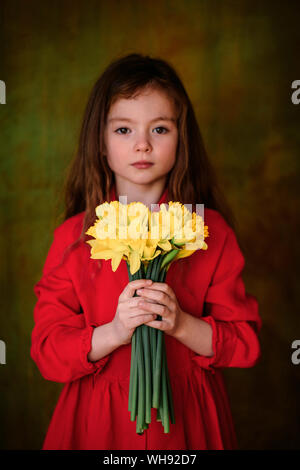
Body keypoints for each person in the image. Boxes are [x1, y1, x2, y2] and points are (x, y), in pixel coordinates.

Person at [30, 53, 262, 450]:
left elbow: (245, 344)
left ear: (180, 139)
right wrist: (116, 331)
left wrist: (181, 325)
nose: (142, 144)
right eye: (123, 129)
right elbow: (48, 351)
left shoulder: (211, 232)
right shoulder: (74, 240)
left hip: (187, 423)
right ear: (100, 143)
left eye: (159, 129)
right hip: (96, 422)